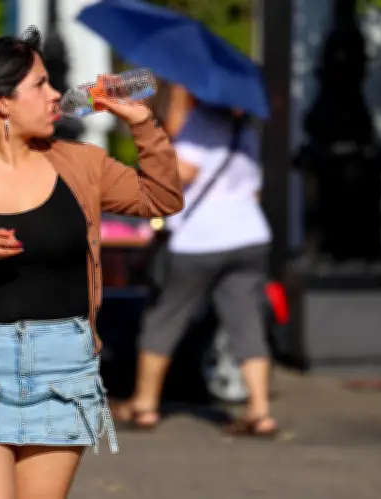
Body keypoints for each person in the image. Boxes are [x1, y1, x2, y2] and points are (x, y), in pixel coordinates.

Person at [0, 28, 183, 499]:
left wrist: (142, 123)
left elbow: (161, 197)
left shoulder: (80, 163)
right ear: (2, 100)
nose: (57, 94)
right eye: (41, 84)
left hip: (64, 366)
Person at [115, 94, 279, 437]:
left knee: (166, 316)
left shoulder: (199, 125)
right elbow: (255, 190)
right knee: (246, 321)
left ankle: (144, 405)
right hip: (250, 234)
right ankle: (260, 411)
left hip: (200, 238)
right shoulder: (245, 130)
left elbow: (182, 173)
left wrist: (165, 146)